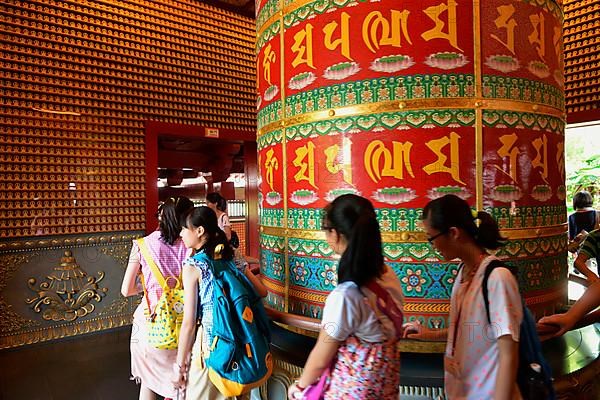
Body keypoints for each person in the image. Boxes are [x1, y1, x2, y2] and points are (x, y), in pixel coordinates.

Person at [287, 194, 404, 400]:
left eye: (326, 230)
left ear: (336, 233)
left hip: (352, 389)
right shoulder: (388, 275)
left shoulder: (346, 296)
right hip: (385, 383)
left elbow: (322, 356)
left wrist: (299, 386)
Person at [406, 194, 522, 400]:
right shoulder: (463, 272)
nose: (432, 245)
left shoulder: (497, 278)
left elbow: (508, 352)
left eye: (431, 238)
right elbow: (472, 329)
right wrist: (428, 334)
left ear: (453, 233)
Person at [173, 206, 267, 399]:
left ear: (199, 231)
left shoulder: (194, 266)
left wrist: (179, 367)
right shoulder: (231, 256)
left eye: (184, 228)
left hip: (212, 346)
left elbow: (189, 324)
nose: (181, 233)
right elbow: (262, 291)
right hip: (240, 341)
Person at [121, 196, 194, 400]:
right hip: (185, 324)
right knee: (182, 387)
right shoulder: (191, 246)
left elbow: (126, 289)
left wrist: (148, 287)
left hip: (150, 323)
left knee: (148, 382)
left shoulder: (141, 245)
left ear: (161, 216)